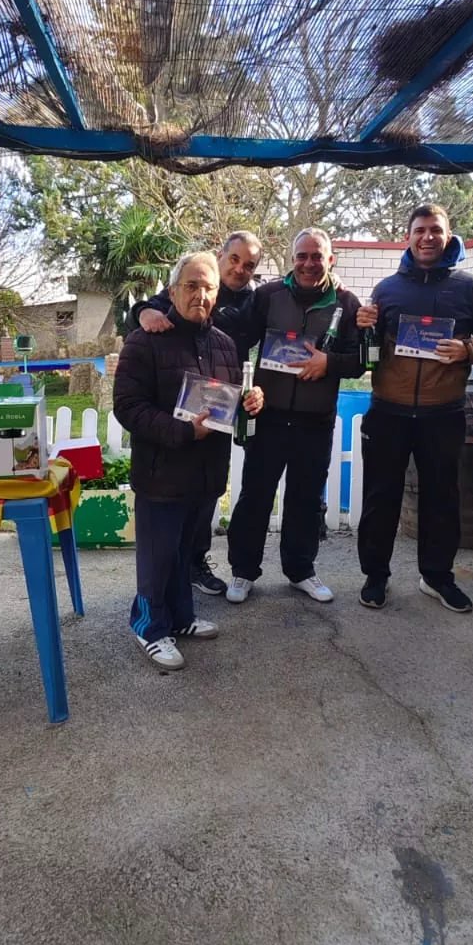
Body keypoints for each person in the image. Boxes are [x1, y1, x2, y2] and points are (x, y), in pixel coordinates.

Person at [356, 203, 473, 614]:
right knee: (380, 497)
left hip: (443, 413)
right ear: (408, 236)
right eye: (420, 229)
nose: (427, 237)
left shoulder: (470, 288)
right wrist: (364, 323)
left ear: (448, 236)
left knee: (442, 499)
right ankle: (375, 576)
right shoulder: (387, 288)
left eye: (435, 230)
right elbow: (369, 349)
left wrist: (468, 349)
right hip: (388, 410)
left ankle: (437, 577)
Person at [113, 251, 264, 671]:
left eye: (208, 287)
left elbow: (229, 402)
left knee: (184, 554)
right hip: (162, 473)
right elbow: (127, 407)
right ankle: (148, 627)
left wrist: (250, 403)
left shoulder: (224, 344)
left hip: (206, 474)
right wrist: (181, 431)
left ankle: (179, 619)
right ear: (173, 290)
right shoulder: (145, 340)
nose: (200, 294)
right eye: (192, 285)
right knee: (158, 557)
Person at [225, 227, 361, 605]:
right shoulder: (267, 295)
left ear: (330, 260)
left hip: (315, 421)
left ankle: (301, 570)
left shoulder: (346, 304)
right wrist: (239, 387)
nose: (308, 263)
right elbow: (237, 339)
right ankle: (242, 571)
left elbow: (362, 362)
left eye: (317, 256)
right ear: (292, 259)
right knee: (255, 496)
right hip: (268, 418)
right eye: (302, 256)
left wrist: (329, 362)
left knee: (303, 500)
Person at [129, 229, 263, 596]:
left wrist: (249, 399)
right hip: (170, 430)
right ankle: (155, 611)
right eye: (234, 259)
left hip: (214, 425)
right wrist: (143, 313)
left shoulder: (254, 303)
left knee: (201, 510)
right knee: (164, 537)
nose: (240, 269)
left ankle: (195, 566)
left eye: (249, 265)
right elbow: (150, 307)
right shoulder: (192, 282)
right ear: (221, 256)